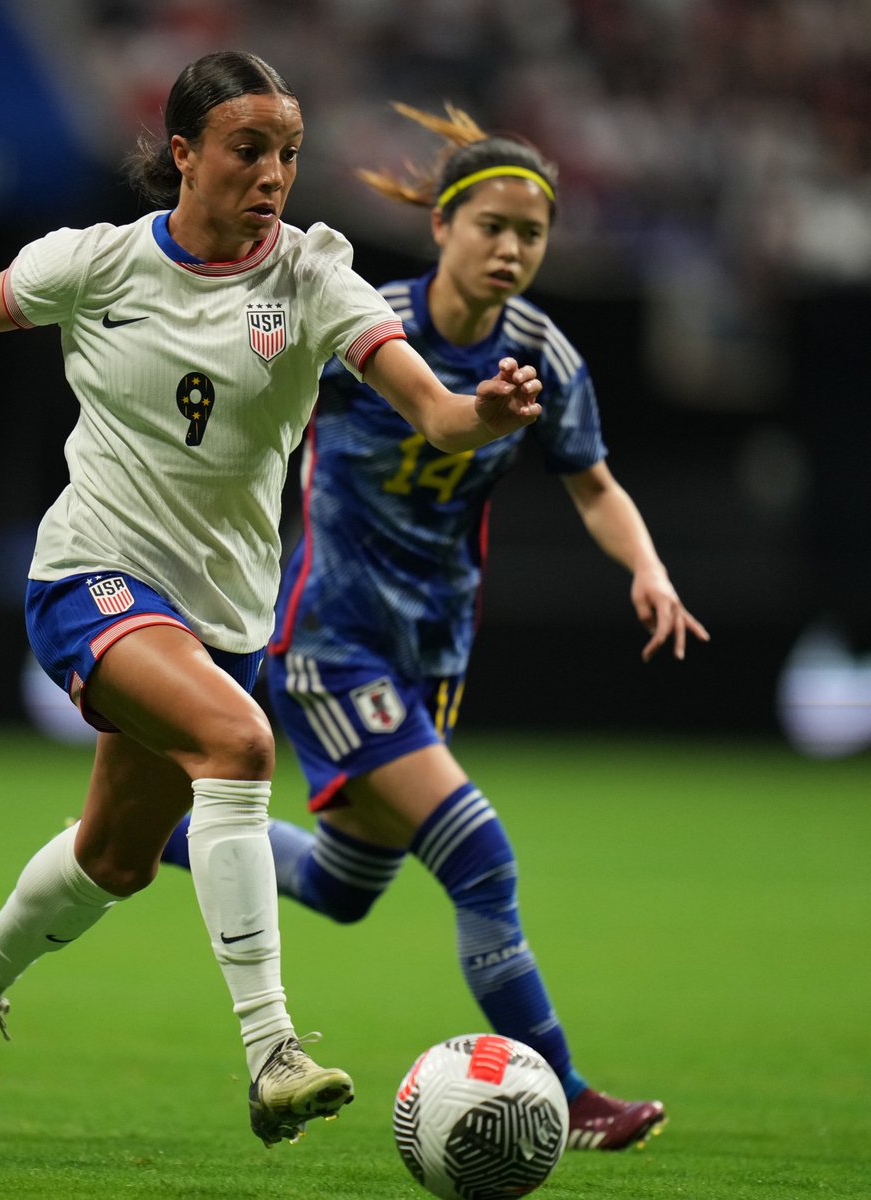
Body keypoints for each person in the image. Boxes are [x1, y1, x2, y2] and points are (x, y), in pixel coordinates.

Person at [0, 56, 545, 1147]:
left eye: (287, 151)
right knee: (238, 744)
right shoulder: (97, 265)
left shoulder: (314, 279)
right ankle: (273, 1050)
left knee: (116, 859)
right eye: (249, 149)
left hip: (219, 617)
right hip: (91, 578)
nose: (274, 173)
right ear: (183, 153)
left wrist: (487, 411)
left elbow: (432, 411)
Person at [161, 101, 709, 1150]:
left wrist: (647, 567)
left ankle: (148, 834)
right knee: (481, 858)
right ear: (444, 228)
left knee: (346, 884)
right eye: (491, 225)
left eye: (532, 234)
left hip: (431, 651)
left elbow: (592, 484)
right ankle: (575, 1096)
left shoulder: (544, 354)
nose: (511, 248)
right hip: (330, 638)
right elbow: (242, 409)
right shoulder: (365, 329)